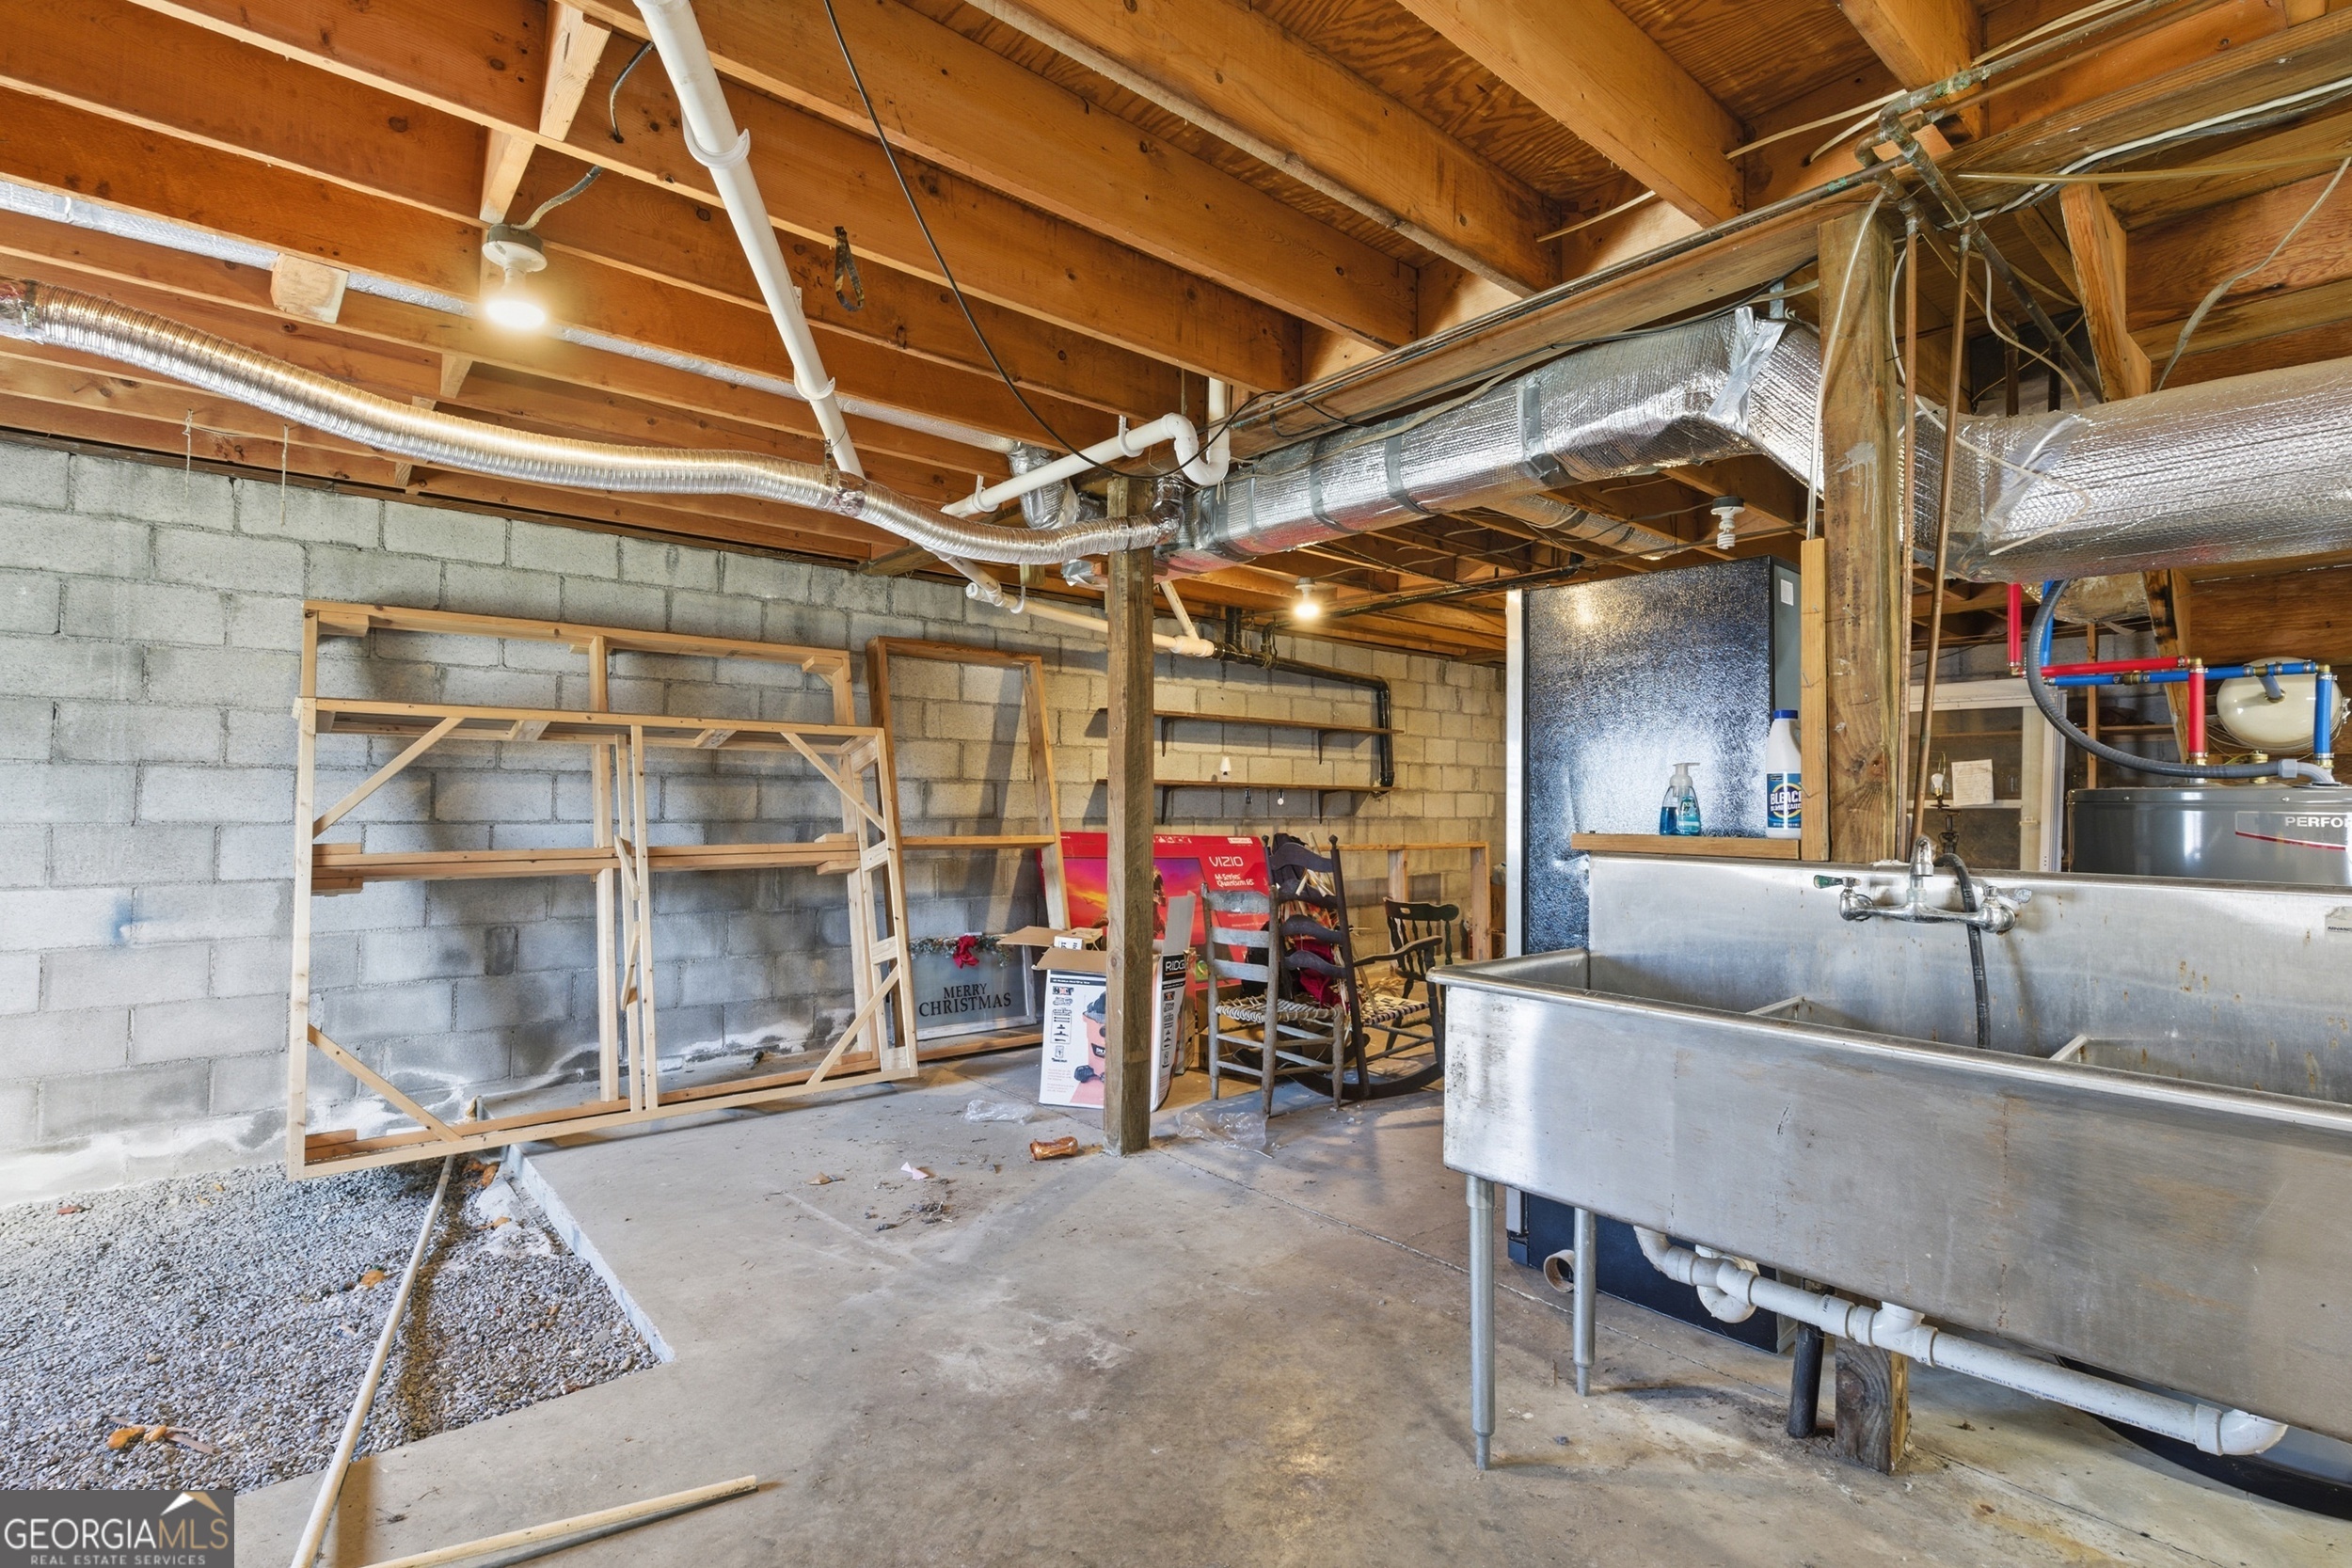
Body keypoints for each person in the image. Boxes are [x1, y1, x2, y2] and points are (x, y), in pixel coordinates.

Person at [1068, 988, 1108, 1106]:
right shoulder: (1099, 1007)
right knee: (1099, 1048)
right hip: (1098, 1015)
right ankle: (1099, 1070)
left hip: (1096, 1017)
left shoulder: (1093, 1012)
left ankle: (1101, 1070)